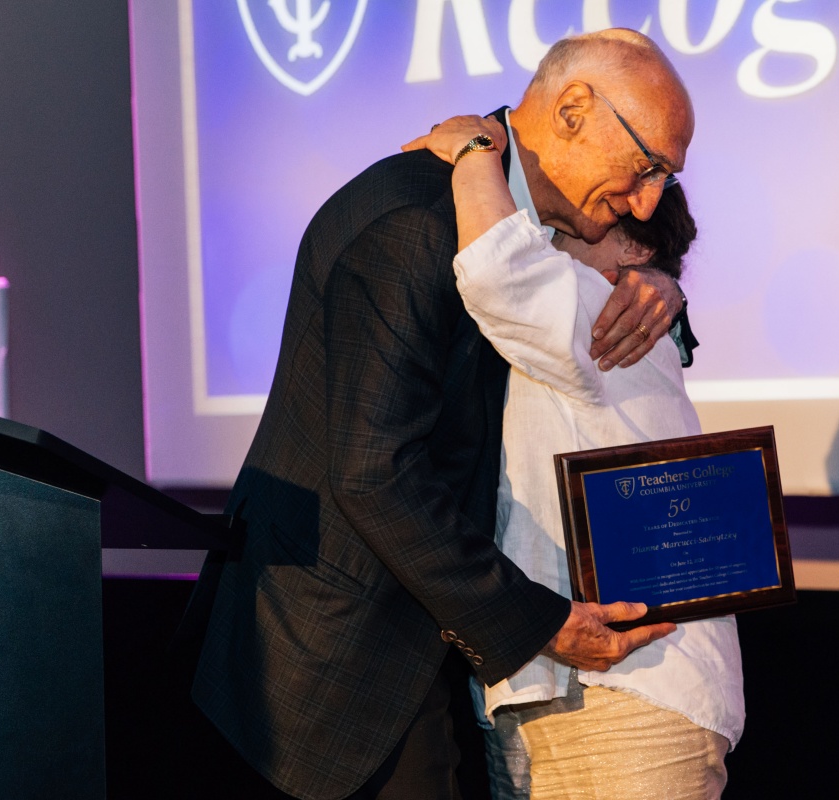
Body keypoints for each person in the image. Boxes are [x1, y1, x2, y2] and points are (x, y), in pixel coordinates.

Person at [192, 29, 696, 800]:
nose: (650, 198)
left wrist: (659, 274)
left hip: (440, 646)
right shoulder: (418, 219)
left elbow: (635, 267)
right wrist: (540, 623)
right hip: (343, 661)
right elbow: (372, 472)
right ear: (571, 112)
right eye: (647, 165)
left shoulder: (545, 216)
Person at [405, 116, 744, 799]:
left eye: (578, 230)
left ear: (632, 251)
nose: (547, 238)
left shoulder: (611, 316)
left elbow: (503, 271)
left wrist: (475, 150)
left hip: (628, 701)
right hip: (566, 699)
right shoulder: (608, 319)